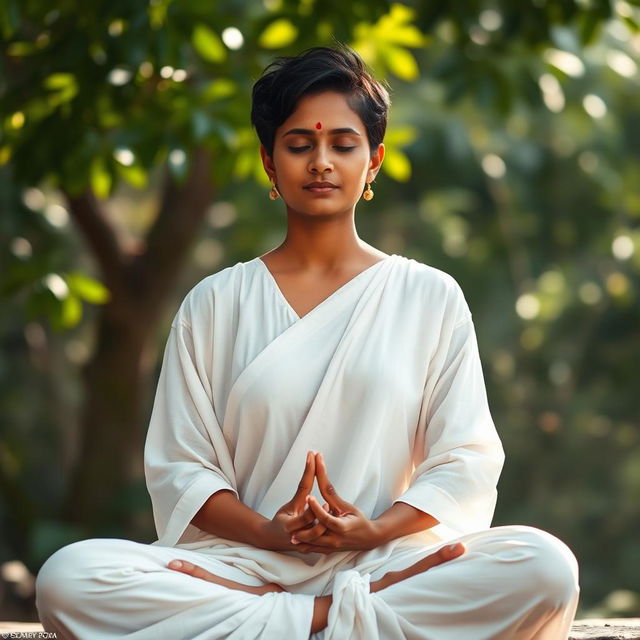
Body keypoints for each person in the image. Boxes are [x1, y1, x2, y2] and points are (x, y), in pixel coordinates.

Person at [35, 45, 580, 639]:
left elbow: (464, 459)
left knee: (545, 567)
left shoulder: (429, 295)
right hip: (245, 565)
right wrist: (273, 533)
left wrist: (372, 531)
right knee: (69, 577)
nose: (321, 162)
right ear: (270, 163)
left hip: (386, 563)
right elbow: (183, 469)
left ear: (372, 161)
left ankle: (291, 621)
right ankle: (328, 619)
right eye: (300, 145)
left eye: (342, 145)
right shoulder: (216, 303)